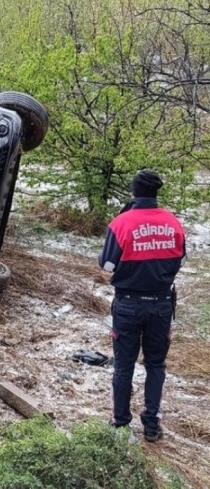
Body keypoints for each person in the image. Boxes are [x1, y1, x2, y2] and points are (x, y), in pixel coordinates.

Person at [99, 169, 186, 442]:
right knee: (156, 365)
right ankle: (152, 425)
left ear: (133, 192)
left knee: (123, 367)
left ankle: (120, 423)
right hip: (161, 304)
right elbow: (182, 260)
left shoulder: (121, 222)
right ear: (156, 192)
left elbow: (107, 265)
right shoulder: (173, 222)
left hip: (128, 305)